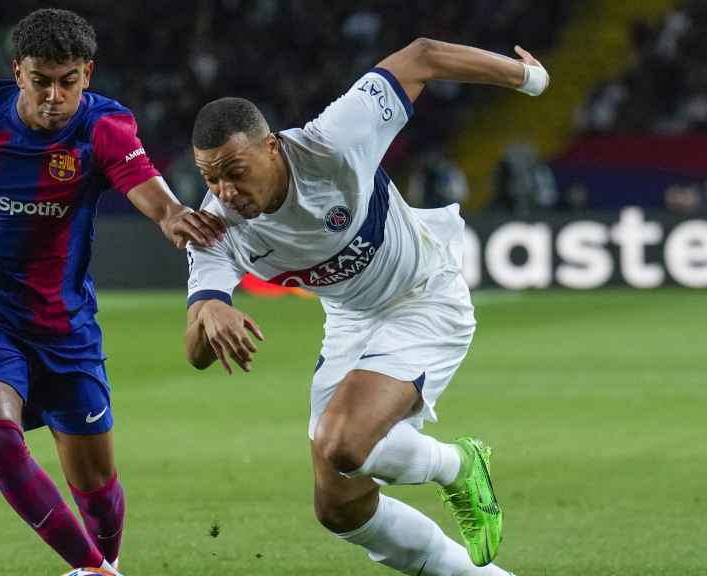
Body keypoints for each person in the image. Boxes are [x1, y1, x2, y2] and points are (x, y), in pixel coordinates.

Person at [0, 8, 223, 575]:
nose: (55, 95)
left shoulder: (104, 127)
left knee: (96, 486)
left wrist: (174, 217)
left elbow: (151, 193)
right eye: (41, 80)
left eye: (68, 81)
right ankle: (92, 570)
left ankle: (108, 562)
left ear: (88, 74)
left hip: (63, 324)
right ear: (17, 72)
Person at [184, 38, 549, 575]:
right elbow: (195, 354)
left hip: (424, 295)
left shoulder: (332, 140)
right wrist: (209, 309)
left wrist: (529, 80)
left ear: (272, 148)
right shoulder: (217, 225)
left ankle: (458, 464)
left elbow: (422, 56)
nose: (225, 190)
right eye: (210, 177)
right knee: (340, 508)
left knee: (344, 443)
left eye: (234, 171)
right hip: (351, 321)